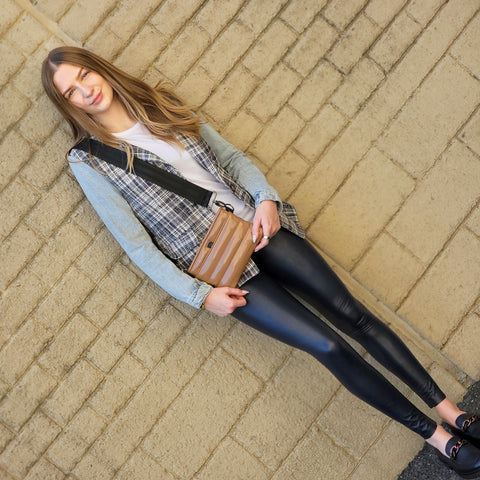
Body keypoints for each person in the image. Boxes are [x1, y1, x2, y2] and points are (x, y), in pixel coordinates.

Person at [42, 46, 480, 478]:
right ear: (69, 106)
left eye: (84, 76)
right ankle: (437, 438)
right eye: (70, 93)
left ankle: (451, 411)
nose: (84, 91)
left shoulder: (158, 103)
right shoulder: (88, 159)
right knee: (329, 347)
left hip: (260, 227)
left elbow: (230, 158)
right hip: (221, 269)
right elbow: (136, 246)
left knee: (354, 316)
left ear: (98, 70)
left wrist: (266, 198)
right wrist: (200, 296)